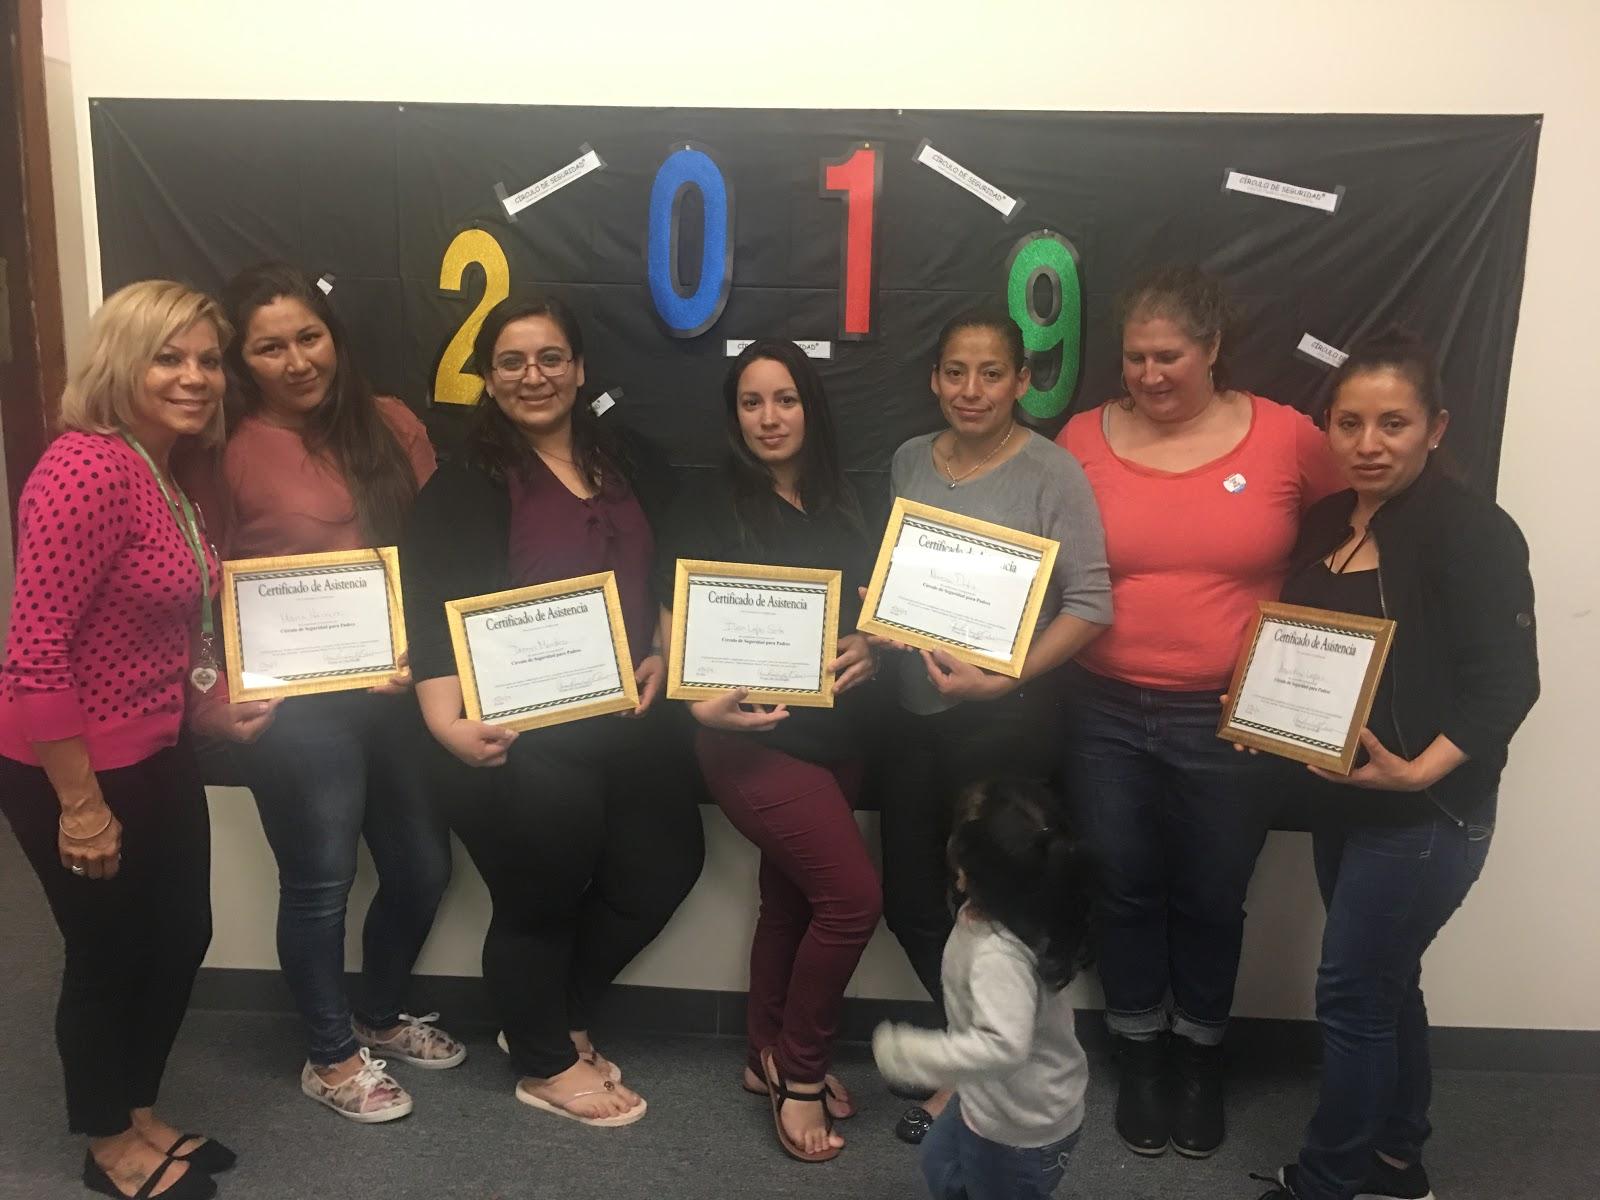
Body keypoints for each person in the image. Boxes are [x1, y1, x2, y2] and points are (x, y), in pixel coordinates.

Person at [1056, 265, 1344, 1158]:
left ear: (1213, 348)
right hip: (1103, 708)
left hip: (1233, 720)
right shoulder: (1080, 437)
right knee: (1125, 886)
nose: (1148, 375)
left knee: (1214, 896)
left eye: (1169, 355)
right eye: (1135, 357)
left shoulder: (1289, 438)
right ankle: (1140, 1052)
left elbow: (1362, 538)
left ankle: (1201, 1057)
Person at [0, 281, 279, 1200]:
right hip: (71, 768)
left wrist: (207, 709)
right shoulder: (85, 467)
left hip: (157, 752)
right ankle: (108, 1138)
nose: (195, 377)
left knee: (179, 935)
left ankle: (141, 1108)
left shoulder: (159, 469)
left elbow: (157, 631)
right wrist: (80, 807)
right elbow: (33, 656)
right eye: (170, 357)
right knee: (108, 953)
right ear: (120, 362)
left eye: (207, 359)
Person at [400, 293, 704, 1127]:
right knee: (540, 894)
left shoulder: (631, 457)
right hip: (521, 731)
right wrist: (442, 721)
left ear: (579, 368)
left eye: (549, 358)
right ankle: (541, 1061)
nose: (533, 375)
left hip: (632, 714)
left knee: (663, 870)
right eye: (512, 361)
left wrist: (666, 647)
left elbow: (679, 560)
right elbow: (430, 606)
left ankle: (552, 1017)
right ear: (489, 378)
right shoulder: (464, 485)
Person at [1252, 330, 1538, 1200]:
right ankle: (1396, 1156)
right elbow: (1301, 647)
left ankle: (1328, 1182)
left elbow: (1508, 686)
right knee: (1385, 981)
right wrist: (1264, 718)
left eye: (1393, 424)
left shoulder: (1475, 532)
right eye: (1350, 424)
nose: (1368, 444)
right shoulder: (1326, 522)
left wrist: (1421, 774)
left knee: (1350, 995)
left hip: (1425, 815)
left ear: (1437, 428)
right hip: (1344, 799)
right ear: (1328, 429)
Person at [190, 262, 461, 1123]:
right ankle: (330, 1055)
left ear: (334, 339)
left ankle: (377, 1016)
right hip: (296, 708)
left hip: (396, 692)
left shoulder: (392, 425)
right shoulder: (221, 451)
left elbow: (435, 556)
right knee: (320, 882)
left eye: (309, 337)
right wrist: (213, 697)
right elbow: (200, 587)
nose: (296, 360)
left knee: (422, 869)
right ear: (243, 360)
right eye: (269, 347)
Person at [879, 308, 1113, 1143]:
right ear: (934, 379)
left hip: (1007, 728)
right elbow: (899, 582)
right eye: (954, 372)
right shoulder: (910, 460)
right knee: (910, 897)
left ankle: (981, 1076)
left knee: (1001, 912)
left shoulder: (1054, 472)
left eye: (989, 373)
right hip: (913, 718)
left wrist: (1003, 674)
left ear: (1022, 381)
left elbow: (1091, 604)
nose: (970, 390)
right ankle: (965, 1051)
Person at [656, 340, 881, 1162]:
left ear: (810, 406)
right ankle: (803, 1073)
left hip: (840, 738)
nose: (769, 418)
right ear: (733, 416)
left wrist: (873, 649)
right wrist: (696, 700)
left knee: (794, 903)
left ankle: (763, 1051)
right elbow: (671, 625)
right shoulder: (704, 504)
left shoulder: (850, 500)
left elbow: (873, 612)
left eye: (784, 399)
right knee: (854, 901)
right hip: (749, 741)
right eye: (752, 403)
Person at [873, 778, 1095, 1200]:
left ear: (967, 872)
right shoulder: (1013, 905)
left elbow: (1003, 1048)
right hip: (986, 1098)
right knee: (940, 1159)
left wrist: (915, 1055)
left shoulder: (1000, 955)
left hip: (1018, 1127)